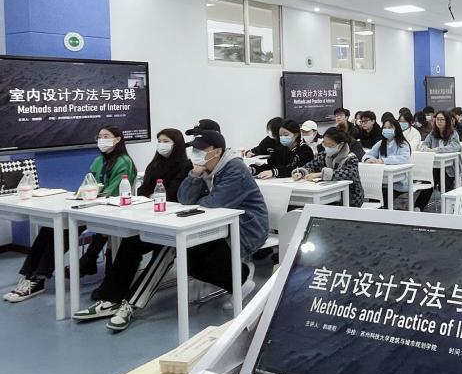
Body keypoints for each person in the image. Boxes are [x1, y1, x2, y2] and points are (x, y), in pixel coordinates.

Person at [73, 130, 267, 330]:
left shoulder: (234, 168)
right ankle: (109, 298)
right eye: (195, 148)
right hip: (207, 224)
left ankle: (130, 305)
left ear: (217, 151)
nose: (196, 153)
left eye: (202, 149)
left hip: (245, 228)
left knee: (170, 246)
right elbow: (185, 199)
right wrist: (194, 175)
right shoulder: (201, 168)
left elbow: (213, 203)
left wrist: (198, 199)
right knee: (133, 242)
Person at [70, 129, 194, 328]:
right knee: (129, 245)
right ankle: (109, 299)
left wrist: (154, 195)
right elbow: (143, 190)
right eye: (159, 140)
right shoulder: (155, 164)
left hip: (173, 225)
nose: (161, 144)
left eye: (166, 141)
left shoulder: (186, 165)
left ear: (177, 144)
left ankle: (130, 305)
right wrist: (153, 196)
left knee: (163, 252)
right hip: (150, 219)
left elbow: (173, 194)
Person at [4, 126, 138, 303]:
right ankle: (28, 276)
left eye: (106, 136)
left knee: (64, 231)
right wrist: (82, 195)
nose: (102, 140)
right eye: (99, 136)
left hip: (107, 210)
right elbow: (88, 184)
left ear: (118, 139)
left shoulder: (124, 161)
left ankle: (39, 277)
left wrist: (90, 195)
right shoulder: (98, 160)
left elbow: (113, 192)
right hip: (88, 206)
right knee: (49, 229)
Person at [293, 128, 364, 207]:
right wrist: (301, 172)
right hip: (329, 194)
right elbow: (311, 165)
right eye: (324, 143)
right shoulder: (324, 155)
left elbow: (349, 174)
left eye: (330, 145)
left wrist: (320, 174)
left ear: (340, 145)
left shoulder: (351, 158)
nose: (327, 147)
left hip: (351, 196)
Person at [415, 111, 462, 211]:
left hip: (450, 167)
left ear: (447, 121)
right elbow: (425, 144)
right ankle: (418, 206)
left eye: (442, 119)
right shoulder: (432, 133)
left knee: (441, 178)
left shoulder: (453, 133)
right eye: (437, 119)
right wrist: (424, 148)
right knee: (430, 180)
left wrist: (436, 150)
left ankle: (448, 206)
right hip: (435, 165)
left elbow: (456, 147)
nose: (439, 121)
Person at [362, 115, 412, 207]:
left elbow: (404, 158)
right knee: (374, 197)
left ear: (396, 129)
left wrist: (383, 160)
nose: (387, 130)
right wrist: (368, 159)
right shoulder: (381, 143)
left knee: (385, 198)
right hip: (382, 180)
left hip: (399, 182)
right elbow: (368, 154)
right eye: (385, 128)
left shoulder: (402, 144)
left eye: (390, 127)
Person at [248, 119, 317, 180]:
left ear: (296, 134)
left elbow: (295, 169)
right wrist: (254, 169)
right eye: (280, 135)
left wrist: (274, 172)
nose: (282, 137)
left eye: (286, 135)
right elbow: (271, 165)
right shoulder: (280, 148)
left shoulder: (305, 150)